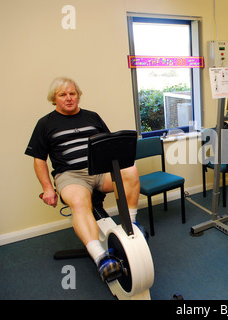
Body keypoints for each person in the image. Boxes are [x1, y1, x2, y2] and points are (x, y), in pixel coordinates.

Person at [25, 77, 141, 282]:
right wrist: (48, 188)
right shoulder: (45, 124)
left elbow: (109, 143)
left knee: (130, 169)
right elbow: (39, 160)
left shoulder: (92, 117)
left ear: (78, 95)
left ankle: (131, 225)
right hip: (70, 175)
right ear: (54, 98)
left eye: (72, 93)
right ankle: (101, 257)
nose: (69, 98)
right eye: (63, 95)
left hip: (99, 170)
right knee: (79, 202)